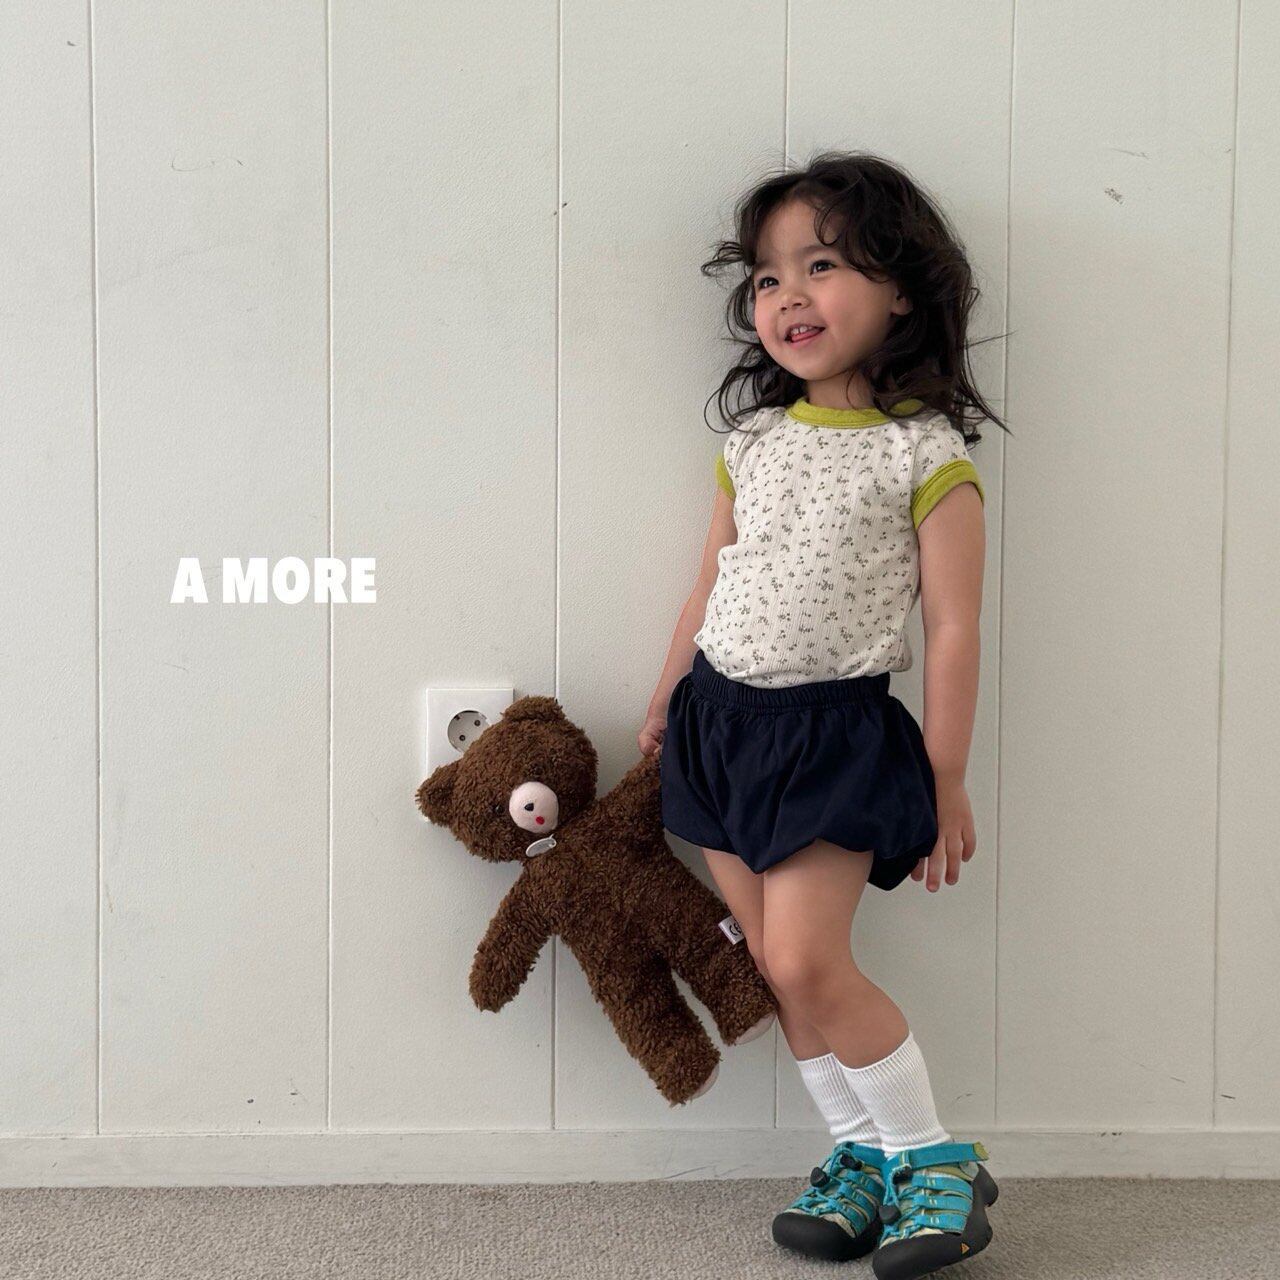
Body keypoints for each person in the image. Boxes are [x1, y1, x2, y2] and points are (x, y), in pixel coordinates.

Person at [637, 151, 1011, 1280]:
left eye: (823, 265)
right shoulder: (752, 442)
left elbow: (952, 628)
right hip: (717, 725)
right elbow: (709, 584)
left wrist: (945, 773)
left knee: (807, 958)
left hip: (831, 739)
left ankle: (932, 1156)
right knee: (769, 958)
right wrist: (664, 698)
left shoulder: (922, 451)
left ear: (899, 291)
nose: (788, 294)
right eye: (767, 277)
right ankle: (861, 1152)